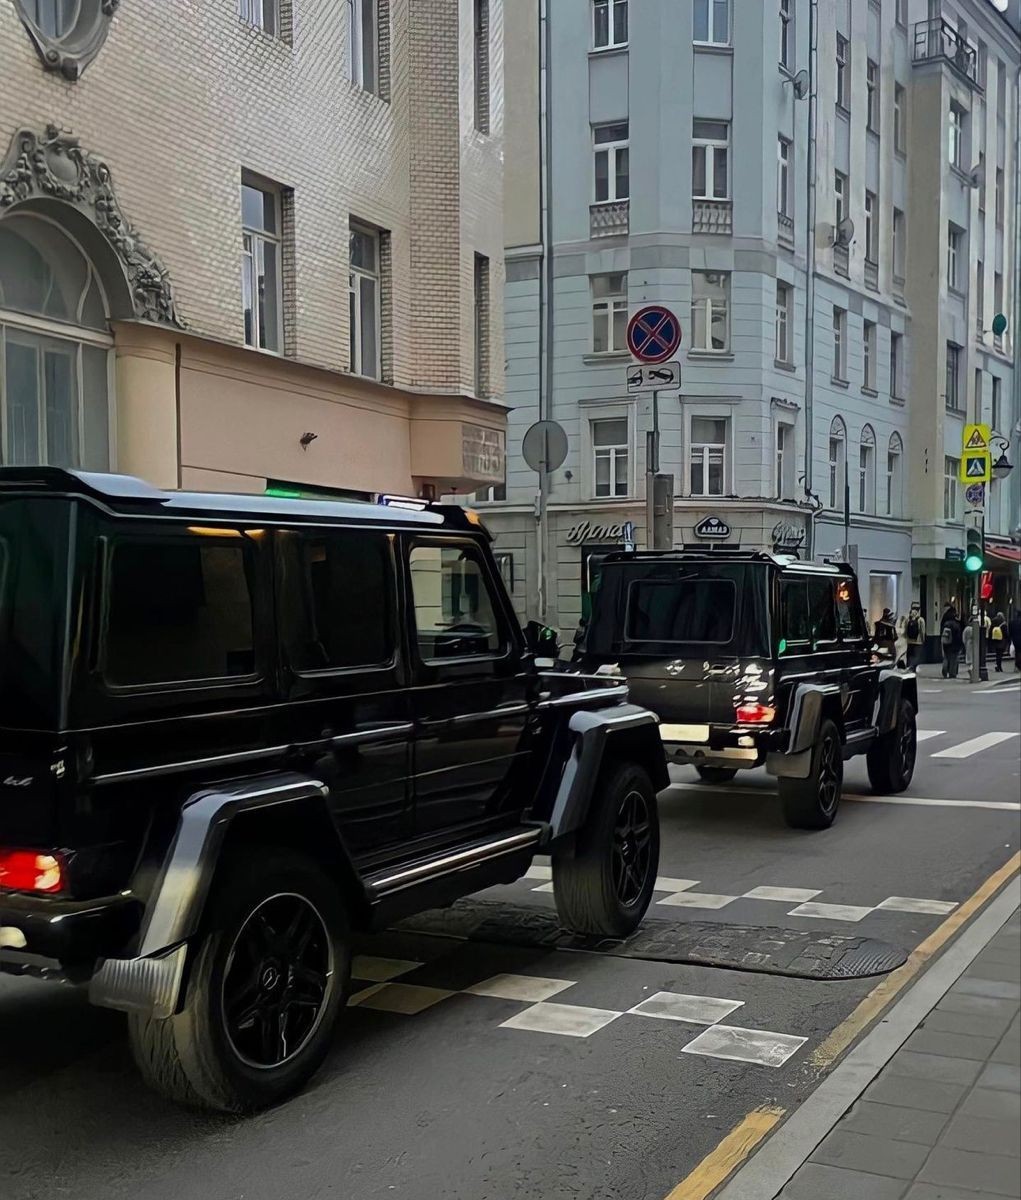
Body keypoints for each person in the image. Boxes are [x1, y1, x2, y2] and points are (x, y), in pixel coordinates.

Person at [900, 602, 925, 670]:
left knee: (909, 656)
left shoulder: (907, 619)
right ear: (918, 610)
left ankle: (908, 667)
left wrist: (906, 639)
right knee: (916, 656)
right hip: (918, 642)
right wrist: (923, 640)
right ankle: (912, 668)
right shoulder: (921, 620)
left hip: (909, 641)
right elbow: (922, 631)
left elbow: (905, 630)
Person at [940, 606, 963, 679]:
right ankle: (952, 673)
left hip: (946, 642)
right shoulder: (956, 624)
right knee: (954, 658)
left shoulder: (945, 622)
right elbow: (959, 635)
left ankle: (945, 670)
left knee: (946, 657)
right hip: (955, 644)